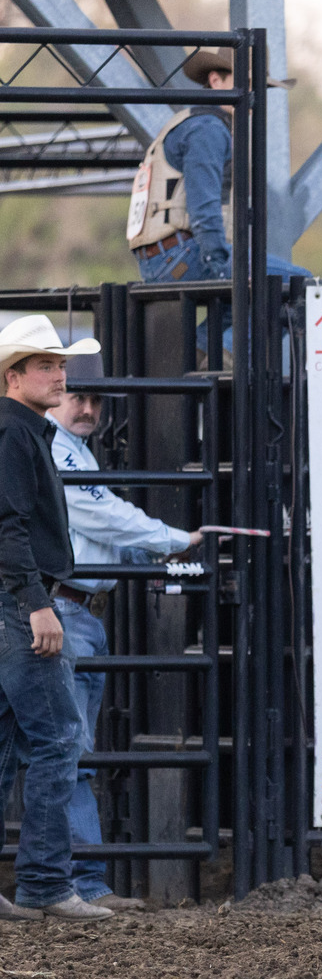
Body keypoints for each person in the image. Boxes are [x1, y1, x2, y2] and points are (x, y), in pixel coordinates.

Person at [48, 355, 198, 911]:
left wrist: (155, 547)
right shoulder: (58, 450)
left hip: (72, 609)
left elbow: (98, 526)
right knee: (66, 749)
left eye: (96, 400)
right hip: (65, 611)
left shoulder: (69, 449)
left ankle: (66, 882)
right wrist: (174, 540)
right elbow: (100, 517)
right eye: (76, 396)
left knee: (51, 750)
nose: (87, 409)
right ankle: (78, 884)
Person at [0, 316, 114, 921]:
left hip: (13, 599)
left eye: (59, 365)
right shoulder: (16, 435)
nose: (60, 376)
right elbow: (8, 526)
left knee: (8, 742)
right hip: (22, 602)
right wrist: (38, 603)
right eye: (46, 365)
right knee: (59, 736)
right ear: (14, 376)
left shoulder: (23, 431)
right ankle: (46, 882)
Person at [128, 50, 309, 286]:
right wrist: (221, 269)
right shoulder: (208, 129)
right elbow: (203, 208)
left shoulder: (197, 123)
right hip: (182, 253)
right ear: (215, 81)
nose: (254, 96)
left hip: (166, 256)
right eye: (248, 85)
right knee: (300, 284)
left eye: (259, 89)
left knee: (235, 314)